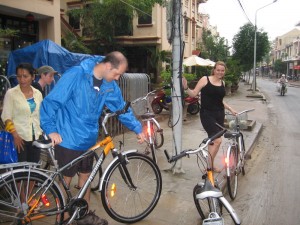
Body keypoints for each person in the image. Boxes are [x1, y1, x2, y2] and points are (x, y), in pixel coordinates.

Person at [40, 51, 144, 224]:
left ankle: (84, 215)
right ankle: (62, 218)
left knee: (86, 177)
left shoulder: (108, 84)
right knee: (65, 181)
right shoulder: (77, 74)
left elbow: (120, 108)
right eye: (117, 74)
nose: (118, 78)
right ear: (108, 66)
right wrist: (51, 130)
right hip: (68, 138)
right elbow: (51, 102)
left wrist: (137, 128)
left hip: (88, 139)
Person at [182, 61, 237, 173]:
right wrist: (186, 87)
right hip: (207, 114)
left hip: (219, 114)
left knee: (213, 142)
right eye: (218, 70)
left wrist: (230, 109)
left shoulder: (223, 83)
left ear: (224, 71)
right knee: (217, 141)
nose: (220, 72)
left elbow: (220, 101)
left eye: (222, 70)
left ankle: (210, 166)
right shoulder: (205, 79)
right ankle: (208, 167)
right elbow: (193, 93)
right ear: (214, 70)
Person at [1, 63, 43, 162]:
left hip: (36, 137)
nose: (22, 79)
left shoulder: (38, 94)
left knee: (33, 171)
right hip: (19, 138)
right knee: (20, 173)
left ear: (32, 77)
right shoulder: (11, 93)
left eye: (25, 76)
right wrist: (15, 135)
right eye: (19, 76)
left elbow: (40, 115)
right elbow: (6, 117)